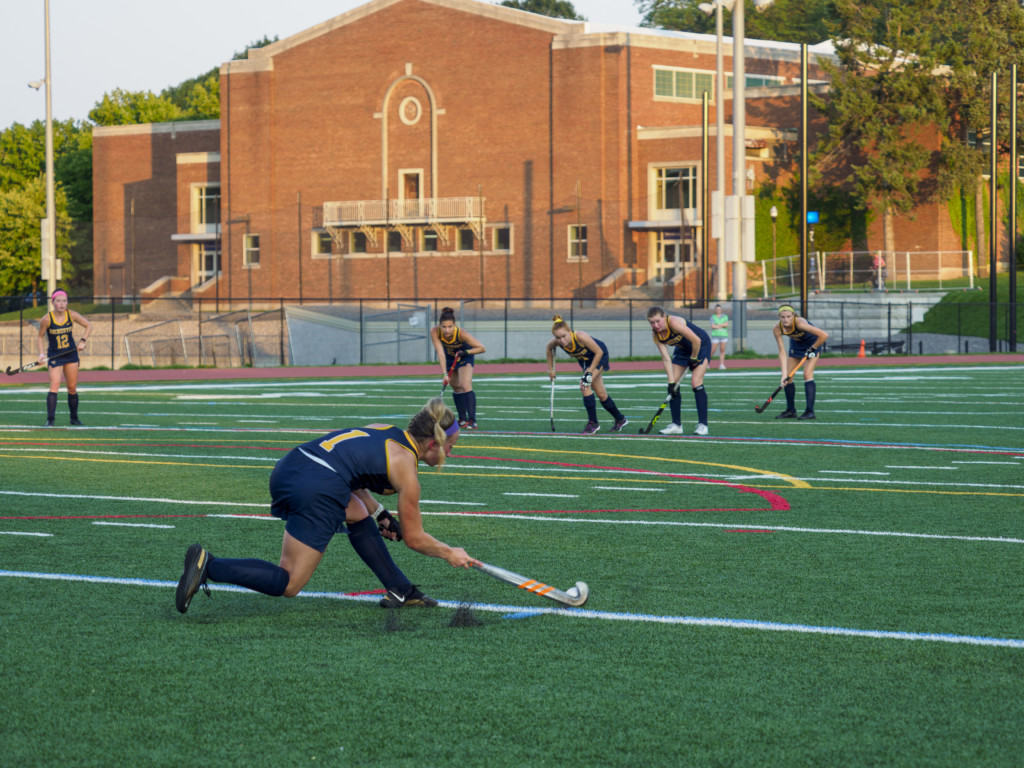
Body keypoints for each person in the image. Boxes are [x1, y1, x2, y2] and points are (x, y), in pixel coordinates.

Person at [175, 398, 476, 613]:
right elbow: (414, 538)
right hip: (318, 485)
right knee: (290, 582)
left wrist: (379, 514)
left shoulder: (385, 430)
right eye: (451, 446)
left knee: (357, 512)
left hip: (292, 466)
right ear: (434, 443)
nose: (451, 452)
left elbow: (353, 473)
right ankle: (209, 566)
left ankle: (400, 589)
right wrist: (449, 552)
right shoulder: (407, 472)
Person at [545, 315, 628, 435]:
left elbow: (599, 352)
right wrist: (551, 370)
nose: (562, 340)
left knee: (584, 384)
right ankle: (621, 419)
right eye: (558, 338)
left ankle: (593, 423)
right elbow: (548, 348)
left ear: (569, 331)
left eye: (564, 336)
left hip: (599, 356)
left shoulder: (580, 336)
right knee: (601, 394)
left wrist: (589, 372)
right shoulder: (557, 342)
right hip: (586, 361)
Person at [646, 306, 712, 436]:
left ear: (664, 316)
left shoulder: (674, 323)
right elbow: (666, 359)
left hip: (700, 345)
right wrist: (671, 383)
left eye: (658, 321)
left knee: (696, 382)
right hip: (682, 350)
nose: (656, 325)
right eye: (652, 322)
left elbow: (696, 340)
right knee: (674, 385)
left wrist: (693, 358)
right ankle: (676, 425)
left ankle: (703, 425)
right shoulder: (656, 334)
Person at [36, 289, 91, 427]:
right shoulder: (47, 319)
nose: (61, 304)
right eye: (58, 301)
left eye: (64, 301)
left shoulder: (72, 315)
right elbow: (40, 337)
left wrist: (83, 340)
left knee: (72, 388)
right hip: (55, 356)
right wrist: (41, 355)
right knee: (54, 385)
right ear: (52, 302)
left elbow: (88, 325)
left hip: (71, 355)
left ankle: (74, 418)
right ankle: (50, 420)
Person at [430, 306, 486, 429]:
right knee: (456, 387)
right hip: (449, 357)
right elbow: (440, 352)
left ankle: (472, 420)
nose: (447, 330)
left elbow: (482, 348)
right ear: (439, 326)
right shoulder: (434, 331)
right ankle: (462, 419)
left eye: (450, 326)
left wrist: (465, 352)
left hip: (464, 356)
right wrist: (444, 374)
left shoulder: (461, 333)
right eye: (444, 327)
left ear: (454, 325)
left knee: (465, 385)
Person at [772, 304, 828, 420]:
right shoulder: (777, 329)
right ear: (779, 317)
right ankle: (791, 410)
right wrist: (783, 375)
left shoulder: (800, 323)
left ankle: (809, 411)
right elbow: (782, 352)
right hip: (797, 345)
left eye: (788, 316)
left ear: (793, 316)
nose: (785, 319)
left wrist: (812, 348)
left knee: (807, 373)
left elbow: (823, 335)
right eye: (782, 317)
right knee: (788, 378)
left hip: (813, 343)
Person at [709, 304, 729, 370]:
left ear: (721, 310)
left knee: (722, 350)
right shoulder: (713, 317)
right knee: (713, 350)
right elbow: (713, 326)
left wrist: (717, 325)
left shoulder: (725, 316)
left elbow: (726, 324)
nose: (718, 310)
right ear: (715, 310)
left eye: (719, 309)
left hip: (723, 335)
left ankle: (721, 364)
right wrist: (721, 326)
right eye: (717, 309)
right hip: (715, 335)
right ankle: (707, 363)